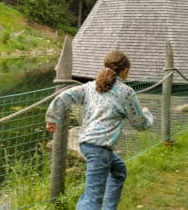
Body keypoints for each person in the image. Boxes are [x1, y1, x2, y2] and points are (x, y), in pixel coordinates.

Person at [46, 50, 154, 210]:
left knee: (119, 172)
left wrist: (52, 117)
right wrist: (147, 114)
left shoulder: (91, 87)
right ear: (124, 71)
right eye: (128, 71)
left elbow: (65, 96)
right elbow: (140, 125)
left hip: (87, 143)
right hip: (100, 149)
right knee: (92, 199)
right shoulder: (126, 93)